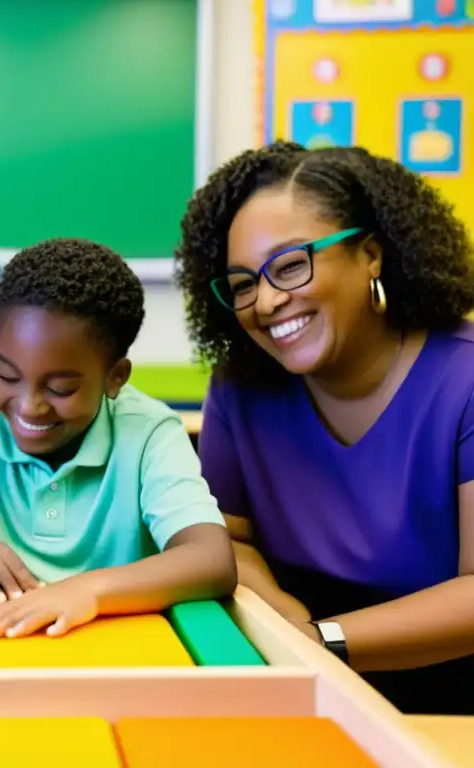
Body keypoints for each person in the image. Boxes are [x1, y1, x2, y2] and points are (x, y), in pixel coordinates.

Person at [173, 140, 474, 714]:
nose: (264, 301)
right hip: (301, 680)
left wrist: (323, 641)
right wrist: (287, 622)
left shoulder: (465, 379)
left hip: (453, 700)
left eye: (290, 265)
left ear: (371, 255)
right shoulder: (241, 386)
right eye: (241, 283)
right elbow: (226, 539)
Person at [0, 238, 236, 639]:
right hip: (3, 650)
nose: (29, 406)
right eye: (6, 376)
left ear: (115, 378)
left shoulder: (150, 433)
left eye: (60, 389)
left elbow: (211, 559)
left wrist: (86, 591)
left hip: (123, 651)